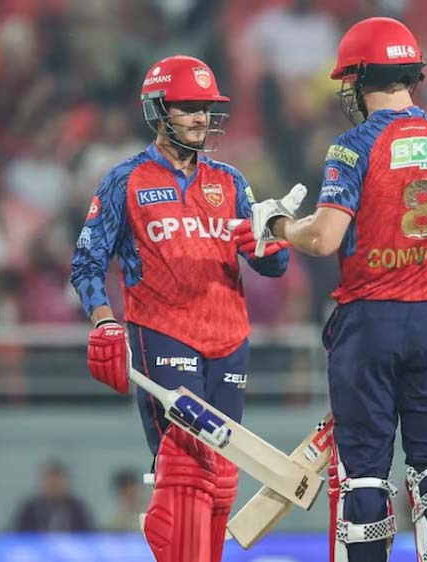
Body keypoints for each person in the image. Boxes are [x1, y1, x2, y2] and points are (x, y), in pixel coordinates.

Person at [246, 17, 427, 562]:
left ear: (361, 79)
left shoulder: (353, 147)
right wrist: (423, 285)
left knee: (365, 474)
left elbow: (324, 238)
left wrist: (277, 225)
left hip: (369, 322)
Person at [69, 55, 290, 562]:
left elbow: (273, 265)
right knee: (185, 467)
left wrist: (269, 248)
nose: (200, 118)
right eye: (188, 107)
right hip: (163, 333)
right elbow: (87, 262)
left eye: (206, 108)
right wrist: (104, 320)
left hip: (229, 341)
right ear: (158, 110)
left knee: (219, 473)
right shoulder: (125, 180)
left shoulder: (230, 181)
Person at [13, 460, 94, 532]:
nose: (54, 484)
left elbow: (89, 534)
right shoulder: (30, 508)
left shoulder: (76, 508)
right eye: (50, 481)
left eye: (58, 481)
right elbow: (18, 535)